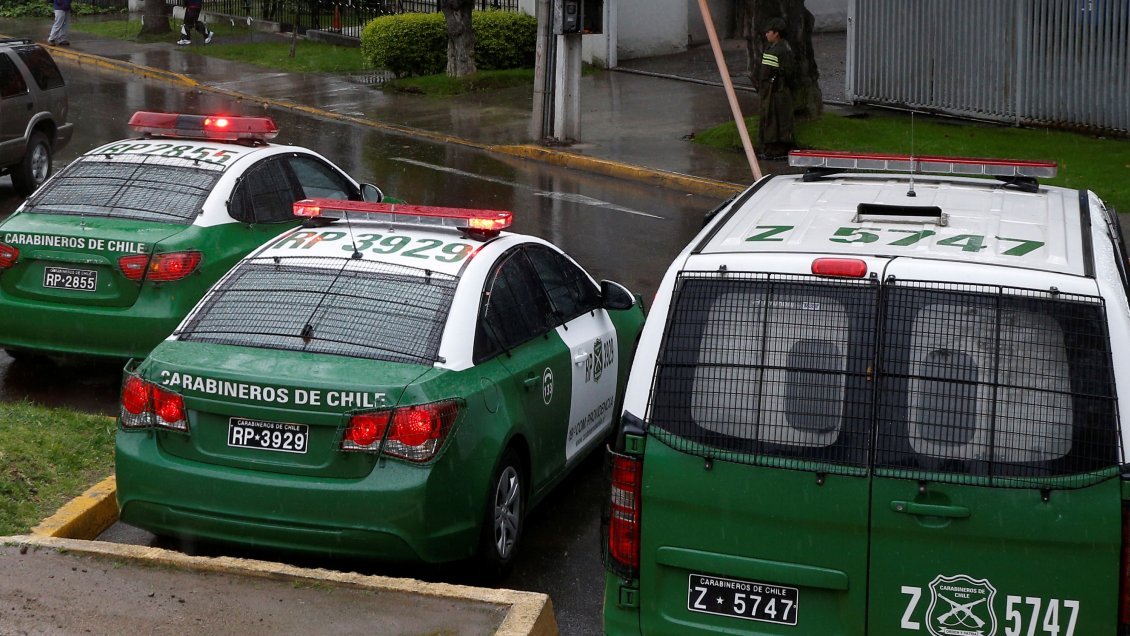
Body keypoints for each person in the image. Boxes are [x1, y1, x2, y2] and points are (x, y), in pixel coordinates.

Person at [755, 17, 796, 160]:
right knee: (772, 118)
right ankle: (771, 146)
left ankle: (776, 149)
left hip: (778, 91)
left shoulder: (780, 50)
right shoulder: (775, 47)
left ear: (776, 33)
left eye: (768, 32)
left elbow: (784, 72)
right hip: (773, 90)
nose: (766, 34)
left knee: (776, 119)